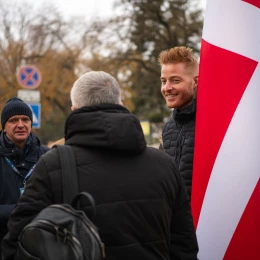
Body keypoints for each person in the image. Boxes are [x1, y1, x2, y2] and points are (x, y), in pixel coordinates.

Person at [2, 72, 198, 260]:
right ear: (121, 105)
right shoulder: (165, 165)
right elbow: (184, 246)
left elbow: (17, 242)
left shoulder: (51, 165)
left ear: (74, 110)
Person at [0, 97, 49, 259]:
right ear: (4, 127)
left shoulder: (47, 156)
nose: (20, 124)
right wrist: (19, 210)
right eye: (13, 120)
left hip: (40, 245)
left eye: (25, 119)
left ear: (31, 124)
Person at [158, 46, 198, 200]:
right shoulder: (168, 128)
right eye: (163, 81)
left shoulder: (212, 124)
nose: (167, 88)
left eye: (175, 80)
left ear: (195, 82)